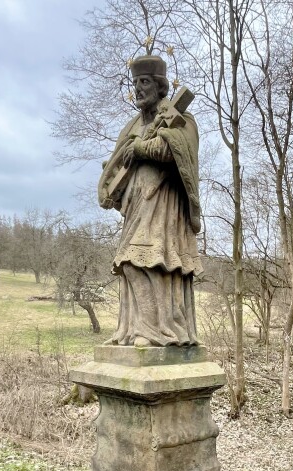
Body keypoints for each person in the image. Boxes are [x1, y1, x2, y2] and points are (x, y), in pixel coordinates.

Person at [98, 55, 203, 347]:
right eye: (135, 83)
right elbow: (120, 162)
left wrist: (141, 149)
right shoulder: (132, 127)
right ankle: (131, 330)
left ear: (160, 86)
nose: (138, 89)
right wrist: (115, 174)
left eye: (144, 82)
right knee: (128, 265)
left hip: (164, 204)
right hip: (137, 204)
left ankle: (158, 331)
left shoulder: (180, 117)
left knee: (148, 262)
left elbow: (177, 150)